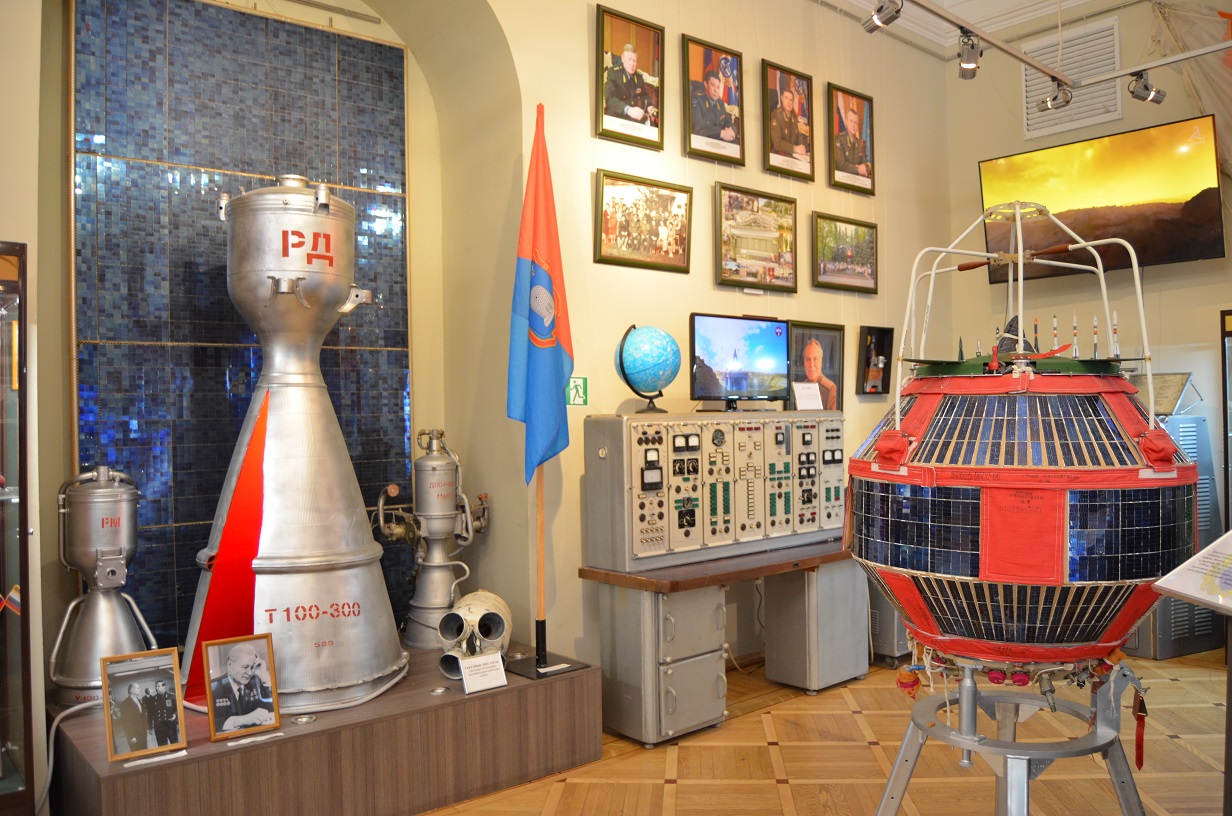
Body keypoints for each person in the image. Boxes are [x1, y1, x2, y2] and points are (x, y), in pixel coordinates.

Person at [211, 642, 275, 733]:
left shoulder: (256, 682)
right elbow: (214, 723)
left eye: (252, 667)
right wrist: (243, 719)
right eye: (245, 667)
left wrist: (265, 677)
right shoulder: (214, 687)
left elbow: (272, 709)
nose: (249, 673)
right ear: (229, 665)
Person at [604, 43, 658, 126]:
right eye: (629, 59)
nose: (632, 64)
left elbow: (645, 96)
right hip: (616, 117)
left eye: (634, 61)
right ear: (622, 58)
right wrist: (628, 110)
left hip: (633, 120)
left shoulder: (638, 77)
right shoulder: (614, 73)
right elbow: (609, 98)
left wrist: (649, 107)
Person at [691, 70, 737, 143]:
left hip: (719, 143)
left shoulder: (720, 103)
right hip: (704, 142)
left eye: (718, 87)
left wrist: (732, 131)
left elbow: (728, 122)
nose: (716, 90)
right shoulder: (696, 99)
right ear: (706, 84)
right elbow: (698, 126)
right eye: (713, 85)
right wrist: (721, 133)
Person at [768, 87, 808, 157]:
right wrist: (795, 148)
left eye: (791, 100)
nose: (789, 102)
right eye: (786, 98)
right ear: (782, 99)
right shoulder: (776, 115)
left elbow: (799, 138)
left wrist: (802, 147)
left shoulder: (794, 118)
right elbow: (777, 143)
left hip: (791, 156)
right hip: (777, 156)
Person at [833, 103, 870, 177]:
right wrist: (858, 170)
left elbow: (865, 164)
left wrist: (866, 168)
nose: (853, 125)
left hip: (857, 181)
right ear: (846, 122)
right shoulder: (838, 139)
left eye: (856, 123)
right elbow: (841, 165)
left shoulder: (860, 143)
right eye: (851, 121)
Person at [800, 338, 838, 410]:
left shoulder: (830, 389)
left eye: (815, 359)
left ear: (821, 361)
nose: (811, 364)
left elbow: (832, 417)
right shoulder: (801, 388)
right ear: (804, 362)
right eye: (808, 359)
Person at [114, 682, 149, 752]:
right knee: (137, 753)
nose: (140, 689)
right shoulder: (125, 704)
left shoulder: (139, 701)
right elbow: (125, 721)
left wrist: (146, 728)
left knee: (145, 751)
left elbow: (143, 716)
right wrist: (131, 736)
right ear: (132, 690)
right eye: (138, 688)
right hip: (134, 735)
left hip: (143, 732)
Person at [151, 679, 180, 745]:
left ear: (164, 686)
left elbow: (178, 709)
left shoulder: (172, 696)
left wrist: (175, 715)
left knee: (175, 744)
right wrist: (150, 726)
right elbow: (151, 713)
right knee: (162, 746)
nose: (156, 688)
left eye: (158, 686)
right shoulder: (153, 699)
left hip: (170, 726)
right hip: (159, 727)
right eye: (156, 686)